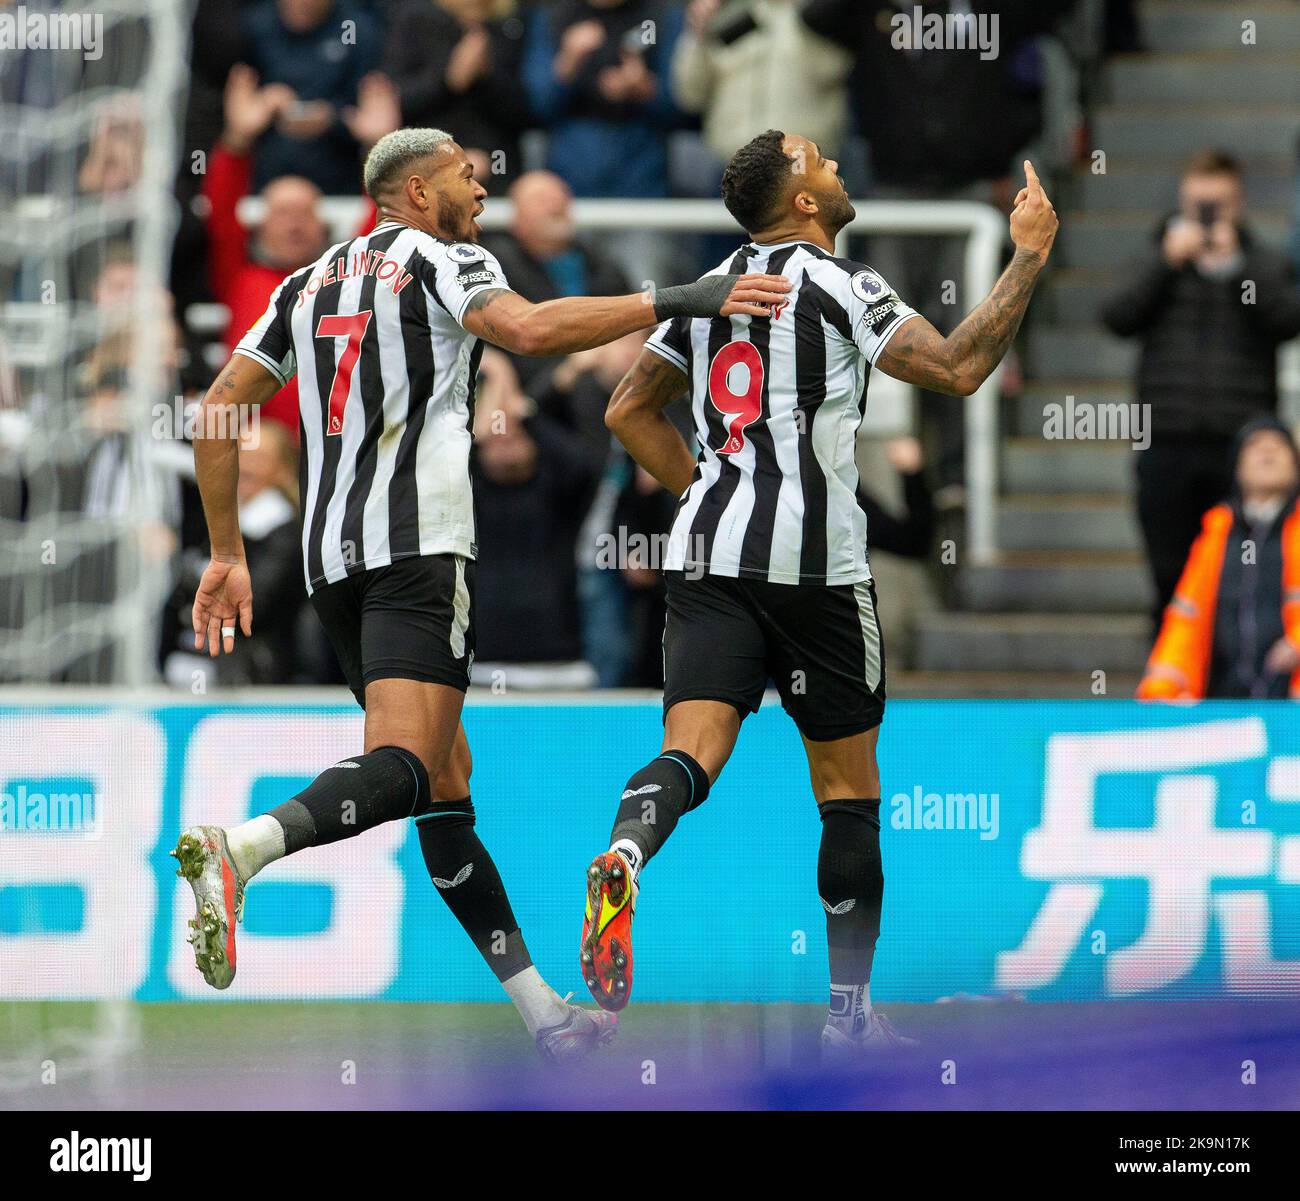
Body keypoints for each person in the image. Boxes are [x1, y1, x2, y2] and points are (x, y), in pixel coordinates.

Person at [173, 126, 789, 1061]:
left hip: (331, 561)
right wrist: (677, 298)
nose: (479, 186)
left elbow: (218, 407)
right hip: (420, 550)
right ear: (415, 193)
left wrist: (225, 548)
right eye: (465, 174)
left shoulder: (305, 283)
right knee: (411, 765)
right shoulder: (440, 259)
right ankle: (245, 847)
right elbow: (531, 331)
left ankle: (545, 1014)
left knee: (443, 790)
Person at [576, 129, 1057, 1056]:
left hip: (709, 559)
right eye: (818, 161)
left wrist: (704, 492)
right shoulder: (842, 283)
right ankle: (847, 1017)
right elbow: (958, 368)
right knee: (847, 795)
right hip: (820, 576)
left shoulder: (710, 290)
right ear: (800, 202)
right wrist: (1027, 256)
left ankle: (626, 854)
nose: (836, 162)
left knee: (691, 754)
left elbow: (627, 409)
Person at [1101, 150, 1300, 623]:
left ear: (1240, 204)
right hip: (1166, 439)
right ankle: (1170, 683)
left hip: (1240, 445)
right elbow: (1115, 316)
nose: (1210, 218)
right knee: (1170, 577)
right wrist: (1165, 262)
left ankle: (1236, 682)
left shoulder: (1262, 262)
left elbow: (1289, 320)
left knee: (1244, 576)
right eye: (1200, 206)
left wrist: (1238, 266)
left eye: (1221, 205)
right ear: (1182, 203)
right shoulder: (1156, 257)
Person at [1138, 418, 1300, 701]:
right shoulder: (1216, 533)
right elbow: (1187, 618)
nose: (1267, 452)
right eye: (1255, 446)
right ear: (1237, 468)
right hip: (1225, 705)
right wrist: (1164, 691)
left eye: (1278, 446)